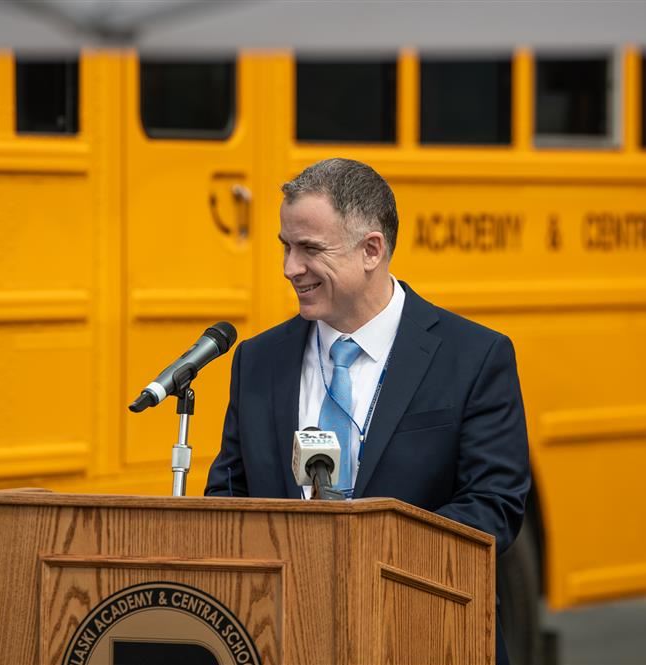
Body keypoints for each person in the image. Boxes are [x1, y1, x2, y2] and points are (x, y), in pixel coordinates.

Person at [205, 158, 530, 665]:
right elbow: (227, 496)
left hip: (430, 634)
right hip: (287, 640)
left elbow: (493, 507)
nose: (291, 267)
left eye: (310, 249)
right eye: (286, 247)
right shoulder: (257, 360)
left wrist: (368, 556)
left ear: (371, 250)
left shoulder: (474, 357)